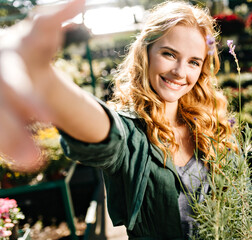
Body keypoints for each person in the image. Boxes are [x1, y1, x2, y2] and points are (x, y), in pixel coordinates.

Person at [0, 0, 236, 238]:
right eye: (169, 54)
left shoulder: (210, 124)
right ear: (146, 53)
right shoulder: (131, 131)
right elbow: (106, 131)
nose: (180, 72)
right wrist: (45, 81)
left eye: (193, 62)